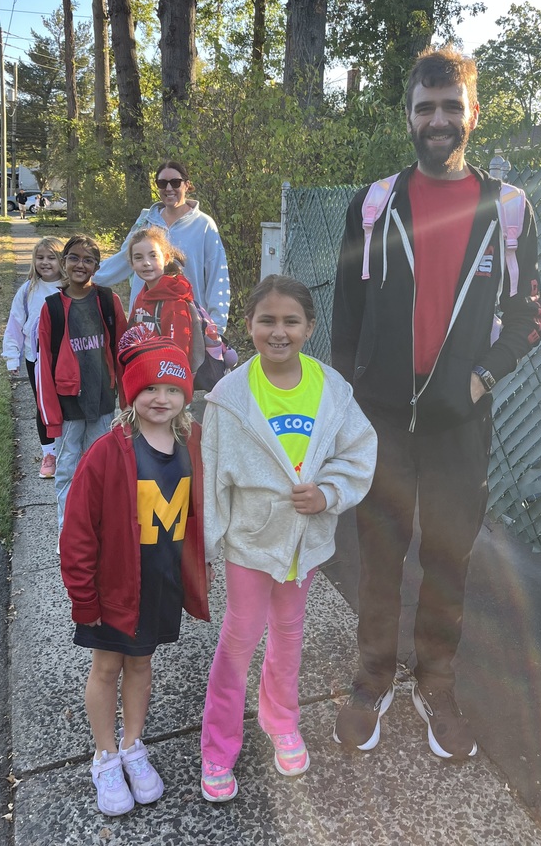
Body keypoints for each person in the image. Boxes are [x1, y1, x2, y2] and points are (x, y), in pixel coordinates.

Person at [331, 46, 541, 760]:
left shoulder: (508, 210)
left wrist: (482, 376)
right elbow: (346, 316)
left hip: (461, 425)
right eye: (426, 108)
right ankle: (371, 677)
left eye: (452, 106)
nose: (439, 120)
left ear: (473, 114)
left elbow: (530, 315)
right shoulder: (373, 203)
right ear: (408, 116)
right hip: (382, 422)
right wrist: (348, 407)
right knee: (380, 553)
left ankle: (437, 682)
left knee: (449, 559)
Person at [199, 275, 377, 802]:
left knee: (290, 635)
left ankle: (281, 720)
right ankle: (219, 746)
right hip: (250, 545)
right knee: (239, 640)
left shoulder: (331, 389)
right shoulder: (229, 399)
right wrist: (207, 550)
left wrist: (329, 492)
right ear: (248, 325)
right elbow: (212, 480)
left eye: (291, 321)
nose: (279, 332)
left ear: (310, 327)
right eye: (267, 321)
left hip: (305, 544)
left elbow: (359, 450)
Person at [60, 329, 210, 817]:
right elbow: (79, 531)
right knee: (106, 668)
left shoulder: (193, 444)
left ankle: (132, 745)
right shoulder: (107, 452)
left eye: (171, 389)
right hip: (112, 590)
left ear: (186, 393)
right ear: (131, 393)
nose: (161, 398)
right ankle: (104, 757)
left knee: (142, 665)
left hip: (160, 587)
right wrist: (84, 597)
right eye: (148, 388)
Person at [36, 235, 127, 538]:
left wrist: (125, 401)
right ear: (63, 262)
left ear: (97, 266)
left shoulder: (107, 301)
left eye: (88, 260)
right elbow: (44, 366)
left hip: (102, 400)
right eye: (74, 258)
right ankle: (69, 532)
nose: (80, 264)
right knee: (67, 469)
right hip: (69, 404)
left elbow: (122, 350)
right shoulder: (53, 308)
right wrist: (50, 415)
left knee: (100, 466)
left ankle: (98, 528)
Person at [96, 161, 230, 334]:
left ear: (187, 185)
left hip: (186, 325)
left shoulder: (204, 225)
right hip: (144, 322)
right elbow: (124, 259)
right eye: (162, 183)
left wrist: (216, 326)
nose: (169, 188)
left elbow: (217, 275)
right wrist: (90, 276)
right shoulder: (146, 222)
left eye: (175, 182)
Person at [2, 237, 65, 478]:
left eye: (51, 257)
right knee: (43, 405)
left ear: (62, 260)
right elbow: (15, 323)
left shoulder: (70, 287)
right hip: (35, 358)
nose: (45, 263)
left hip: (64, 358)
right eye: (40, 258)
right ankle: (49, 454)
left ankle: (69, 450)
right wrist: (11, 355)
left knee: (67, 404)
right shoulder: (28, 289)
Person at [128, 226, 205, 372]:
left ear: (166, 259)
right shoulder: (142, 296)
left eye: (153, 256)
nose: (146, 262)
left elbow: (178, 354)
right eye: (138, 257)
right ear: (132, 264)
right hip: (145, 373)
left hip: (167, 381)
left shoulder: (174, 300)